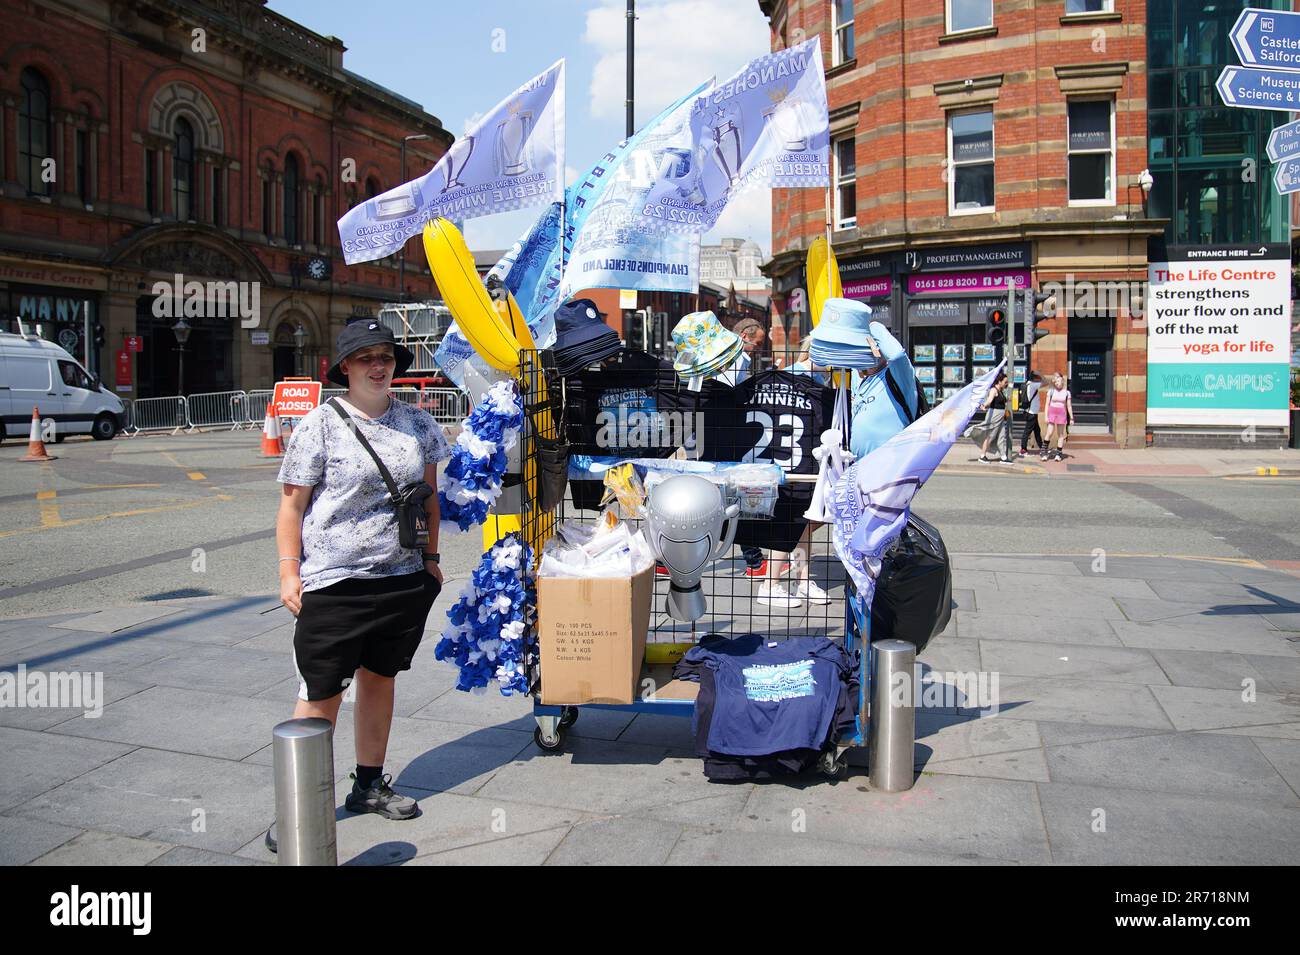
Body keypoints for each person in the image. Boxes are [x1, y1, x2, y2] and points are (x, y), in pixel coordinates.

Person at [266, 320, 451, 853]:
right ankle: (299, 807)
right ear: (344, 366)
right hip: (335, 583)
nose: (379, 365)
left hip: (401, 580)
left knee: (380, 679)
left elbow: (427, 498)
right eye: (365, 357)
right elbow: (292, 505)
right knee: (321, 693)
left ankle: (368, 784)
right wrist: (288, 570)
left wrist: (432, 560)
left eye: (386, 357)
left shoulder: (417, 422)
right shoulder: (320, 424)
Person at [975, 373, 1011, 463]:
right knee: (990, 436)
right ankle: (982, 456)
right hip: (994, 416)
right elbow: (989, 400)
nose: (1006, 383)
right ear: (999, 381)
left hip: (1000, 416)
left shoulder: (1001, 391)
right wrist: (984, 405)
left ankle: (1003, 457)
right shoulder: (993, 390)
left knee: (1001, 436)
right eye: (1005, 382)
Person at [1043, 372, 1074, 462]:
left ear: (1063, 382)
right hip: (1052, 412)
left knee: (1060, 435)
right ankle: (1044, 452)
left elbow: (1069, 406)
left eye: (1059, 381)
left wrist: (1071, 418)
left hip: (1061, 413)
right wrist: (1046, 416)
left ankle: (1058, 454)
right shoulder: (1051, 391)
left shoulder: (1067, 393)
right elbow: (1047, 404)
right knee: (1049, 433)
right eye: (1056, 382)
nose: (1057, 383)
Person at [1018, 371, 1044, 457]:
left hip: (1030, 412)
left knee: (1037, 431)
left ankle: (1042, 448)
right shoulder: (1033, 385)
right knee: (1027, 431)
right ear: (1035, 378)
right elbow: (1046, 382)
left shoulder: (1026, 384)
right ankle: (1023, 449)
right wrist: (1041, 374)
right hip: (1032, 413)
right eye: (1037, 378)